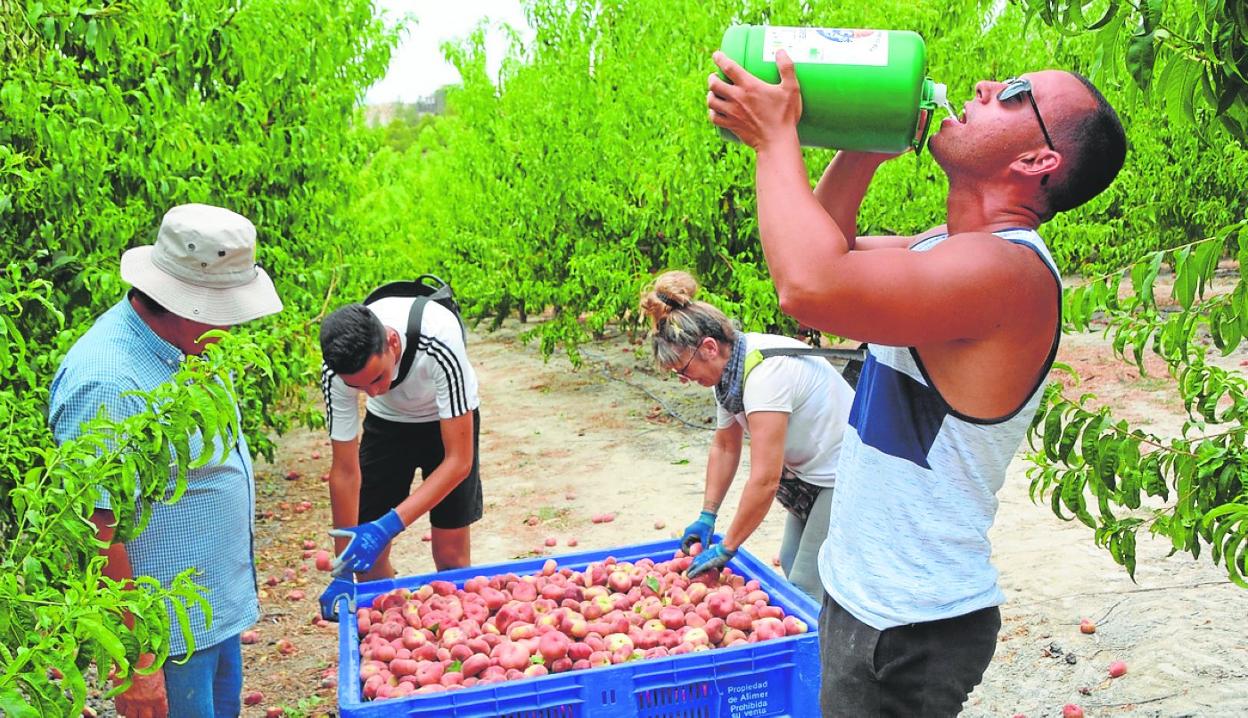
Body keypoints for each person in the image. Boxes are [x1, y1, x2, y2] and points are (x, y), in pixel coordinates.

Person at [707, 53, 1126, 716]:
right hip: (875, 601)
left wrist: (774, 139)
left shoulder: (1007, 275)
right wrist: (867, 143)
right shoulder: (948, 246)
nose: (986, 84)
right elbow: (827, 243)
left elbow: (809, 286)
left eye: (1014, 95)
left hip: (905, 626)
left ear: (1039, 161)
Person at [48, 203, 283, 717]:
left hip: (209, 615)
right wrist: (137, 661)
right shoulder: (107, 379)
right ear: (188, 302)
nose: (233, 322)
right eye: (225, 307)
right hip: (166, 638)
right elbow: (95, 525)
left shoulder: (189, 348)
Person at [640, 270, 854, 603]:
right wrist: (707, 515)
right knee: (789, 559)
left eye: (683, 369)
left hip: (844, 474)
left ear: (709, 347)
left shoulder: (765, 375)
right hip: (809, 474)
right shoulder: (730, 374)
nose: (684, 379)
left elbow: (765, 479)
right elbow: (726, 446)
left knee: (805, 585)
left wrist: (728, 547)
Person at [318, 292, 481, 580]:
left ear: (392, 344)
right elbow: (344, 471)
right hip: (387, 424)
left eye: (377, 378)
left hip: (446, 420)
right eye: (359, 388)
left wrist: (389, 525)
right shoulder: (336, 372)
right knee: (367, 563)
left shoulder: (439, 338)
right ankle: (388, 616)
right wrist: (343, 568)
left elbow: (459, 461)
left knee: (451, 558)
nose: (372, 392)